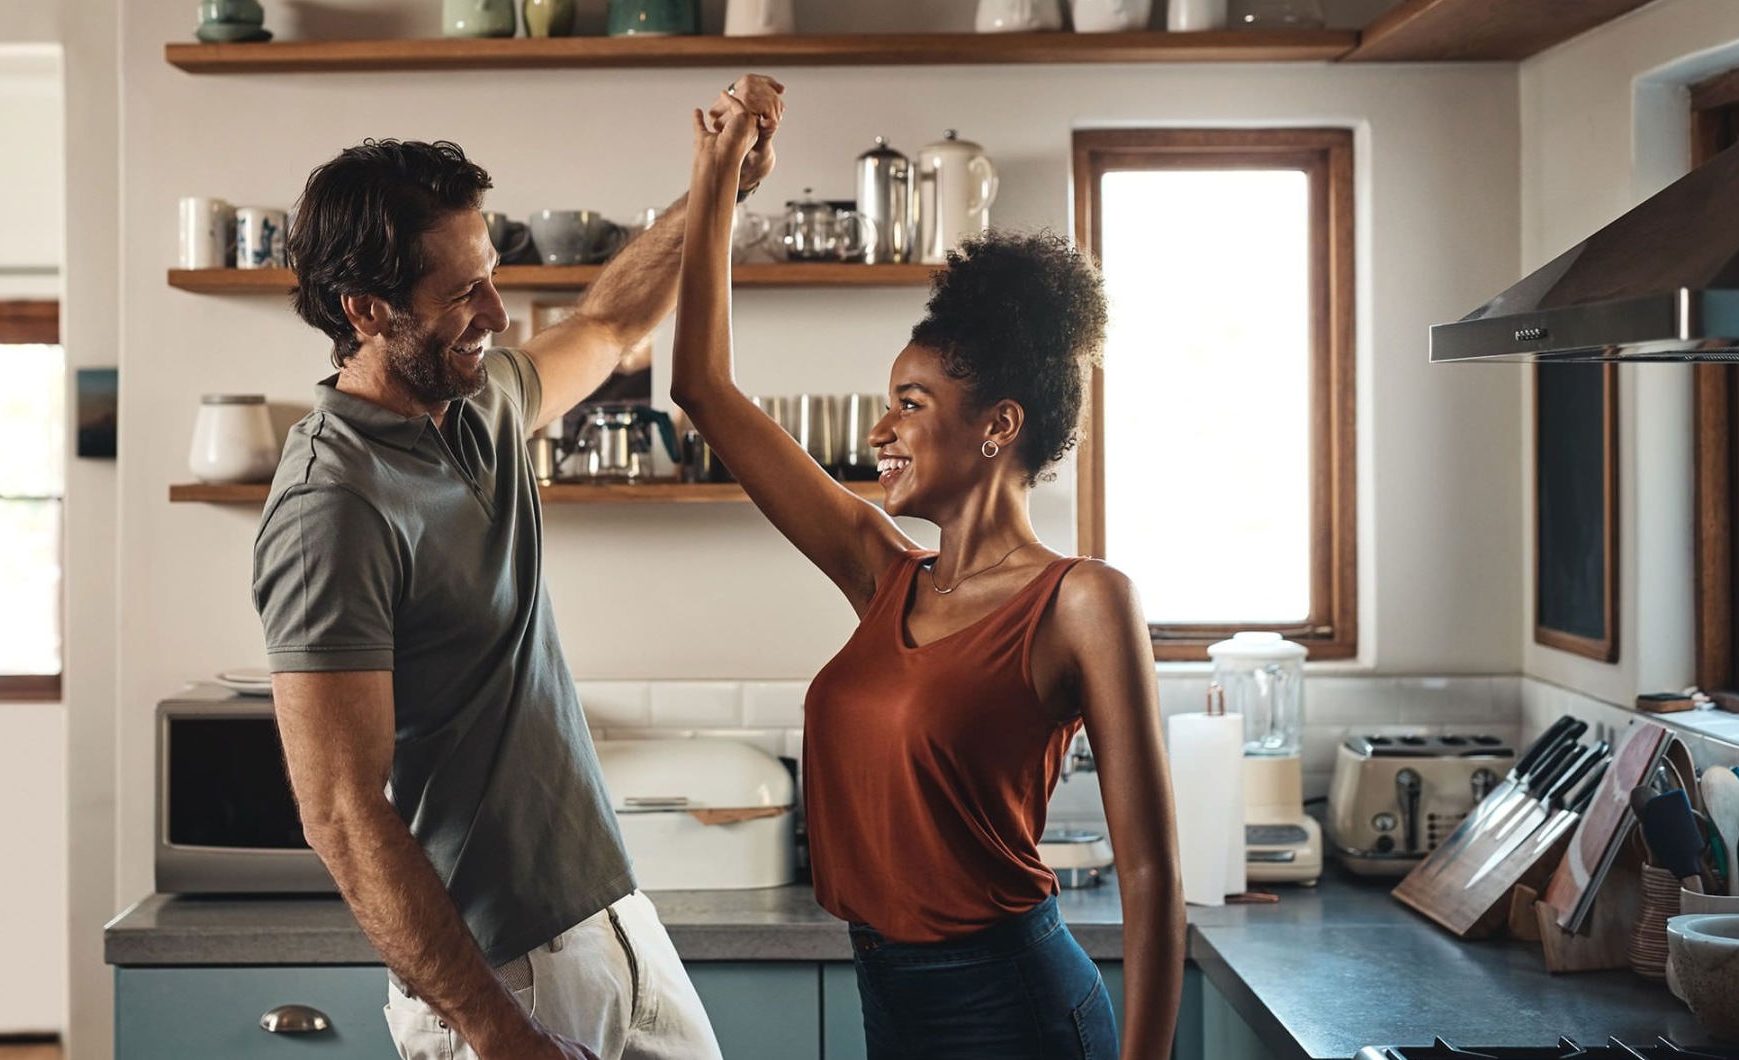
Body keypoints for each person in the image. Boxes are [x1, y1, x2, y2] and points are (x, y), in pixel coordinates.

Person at [250, 75, 785, 1060]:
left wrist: (716, 187)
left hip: (605, 915)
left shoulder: (477, 402)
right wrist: (498, 1034)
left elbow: (612, 325)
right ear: (367, 309)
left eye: (488, 273)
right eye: (462, 293)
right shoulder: (333, 502)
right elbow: (338, 808)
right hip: (496, 972)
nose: (497, 311)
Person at [671, 100, 1185, 1059]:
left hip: (1014, 1008)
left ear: (997, 426)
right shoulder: (882, 574)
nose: (880, 432)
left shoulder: (1083, 602)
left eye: (909, 405)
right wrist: (717, 180)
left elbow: (1151, 873)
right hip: (890, 995)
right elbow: (702, 386)